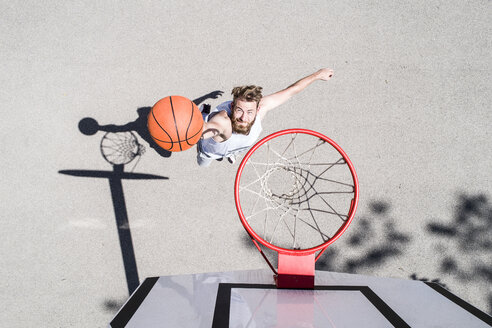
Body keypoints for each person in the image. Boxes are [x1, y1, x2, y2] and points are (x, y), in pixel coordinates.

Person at [197, 68, 334, 167]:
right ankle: (203, 113)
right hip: (210, 150)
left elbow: (291, 91)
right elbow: (208, 128)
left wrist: (317, 75)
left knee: (235, 144)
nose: (244, 117)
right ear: (232, 107)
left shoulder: (261, 109)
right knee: (202, 164)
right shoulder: (222, 121)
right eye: (239, 110)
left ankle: (229, 152)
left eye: (250, 112)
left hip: (234, 145)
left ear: (258, 109)